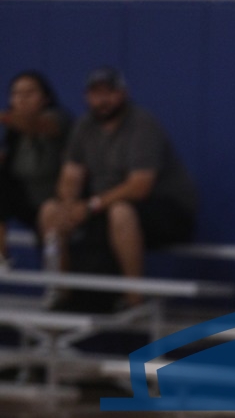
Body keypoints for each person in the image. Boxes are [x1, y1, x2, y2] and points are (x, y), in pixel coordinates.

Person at [39, 67, 196, 305]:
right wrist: (69, 206)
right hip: (105, 206)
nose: (102, 100)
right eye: (96, 94)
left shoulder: (142, 124)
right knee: (50, 211)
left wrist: (89, 207)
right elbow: (70, 176)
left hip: (165, 209)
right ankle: (61, 293)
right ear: (86, 96)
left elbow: (139, 187)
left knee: (121, 211)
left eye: (109, 93)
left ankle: (134, 297)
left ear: (123, 93)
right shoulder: (84, 126)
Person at [0, 71, 70, 269]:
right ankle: (1, 256)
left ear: (45, 98)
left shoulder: (58, 119)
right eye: (16, 94)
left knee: (50, 212)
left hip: (56, 202)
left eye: (29, 93)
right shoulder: (12, 131)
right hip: (24, 201)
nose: (22, 99)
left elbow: (35, 125)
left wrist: (5, 117)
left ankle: (57, 281)